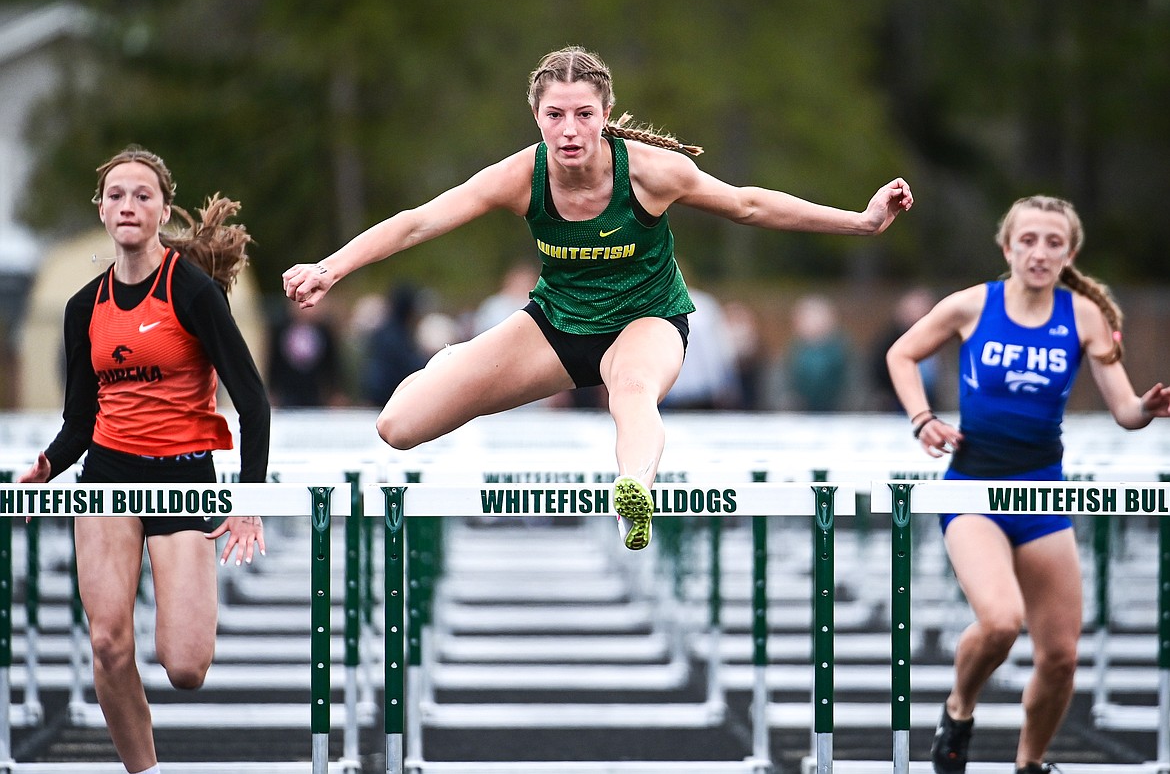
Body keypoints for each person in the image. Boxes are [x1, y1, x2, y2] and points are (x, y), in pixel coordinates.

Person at [284, 45, 913, 550]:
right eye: (555, 115)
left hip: (648, 321)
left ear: (605, 113)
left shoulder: (649, 172)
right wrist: (330, 269)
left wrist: (858, 221)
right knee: (397, 427)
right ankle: (456, 364)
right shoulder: (517, 176)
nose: (569, 130)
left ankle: (632, 493)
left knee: (630, 390)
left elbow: (749, 203)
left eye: (583, 113)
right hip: (558, 327)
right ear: (538, 119)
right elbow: (419, 221)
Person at [885, 195, 1170, 774]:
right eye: (1029, 240)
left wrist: (1147, 407)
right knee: (999, 621)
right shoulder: (971, 306)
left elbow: (1123, 410)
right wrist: (923, 419)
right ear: (1007, 247)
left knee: (1062, 655)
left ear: (1069, 253)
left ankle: (1030, 763)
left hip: (1042, 494)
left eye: (1053, 242)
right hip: (973, 490)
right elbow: (902, 353)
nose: (1040, 253)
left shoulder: (1086, 316)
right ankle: (959, 708)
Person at [19, 145, 270, 774]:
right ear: (102, 211)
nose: (129, 205)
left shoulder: (193, 292)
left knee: (185, 665)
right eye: (117, 196)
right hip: (106, 475)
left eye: (142, 195)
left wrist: (248, 503)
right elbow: (80, 420)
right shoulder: (83, 307)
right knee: (107, 643)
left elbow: (254, 403)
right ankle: (145, 770)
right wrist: (46, 466)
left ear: (162, 209)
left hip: (185, 478)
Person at [869, 286, 939, 411]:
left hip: (930, 404)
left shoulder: (938, 338)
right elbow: (878, 370)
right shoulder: (889, 340)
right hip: (896, 404)